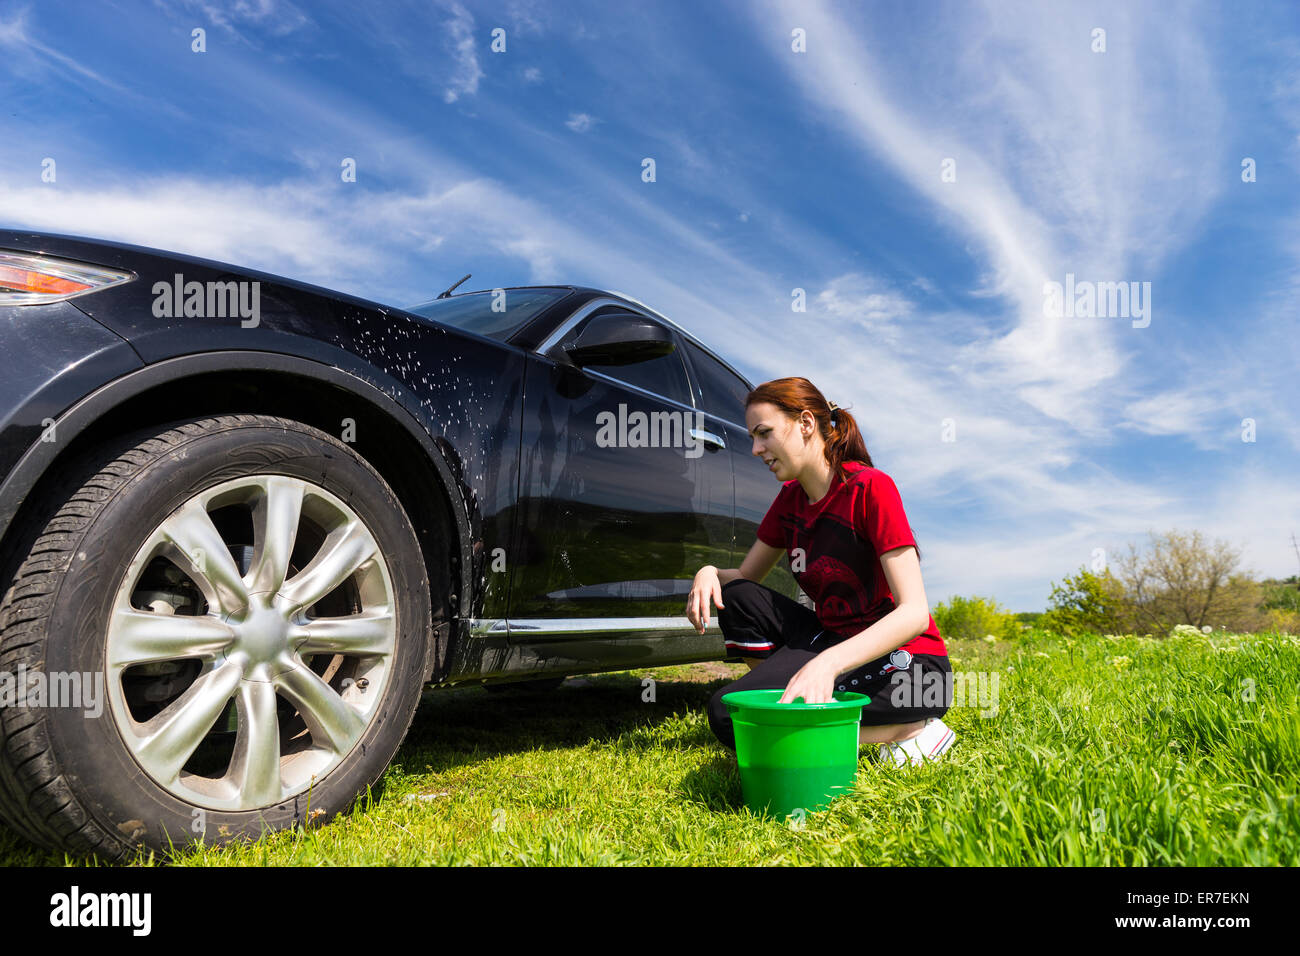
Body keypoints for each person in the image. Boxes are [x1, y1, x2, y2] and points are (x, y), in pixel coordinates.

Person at [686, 377, 957, 767]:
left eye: (764, 434)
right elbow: (745, 578)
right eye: (752, 437)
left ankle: (909, 730)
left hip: (912, 669)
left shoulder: (870, 488)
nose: (756, 449)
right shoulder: (791, 500)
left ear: (807, 424)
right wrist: (708, 572)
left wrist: (828, 664)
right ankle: (791, 705)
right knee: (737, 596)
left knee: (730, 719)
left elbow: (914, 612)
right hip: (829, 638)